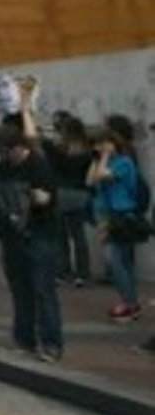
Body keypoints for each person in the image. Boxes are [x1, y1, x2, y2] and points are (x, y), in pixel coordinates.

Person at [0, 123, 62, 362]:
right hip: (13, 234)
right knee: (20, 289)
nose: (3, 157)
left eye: (6, 151)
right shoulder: (4, 167)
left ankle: (51, 343)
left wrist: (30, 195)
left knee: (42, 289)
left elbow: (46, 196)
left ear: (17, 147)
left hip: (39, 231)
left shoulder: (38, 164)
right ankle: (24, 340)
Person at [89, 117, 145, 323]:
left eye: (103, 143)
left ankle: (130, 303)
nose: (100, 147)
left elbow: (102, 176)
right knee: (119, 261)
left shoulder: (123, 162)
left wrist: (104, 157)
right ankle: (128, 301)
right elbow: (91, 179)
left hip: (121, 216)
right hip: (107, 215)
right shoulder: (109, 162)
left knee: (117, 261)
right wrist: (98, 158)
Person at [44, 114, 94, 287]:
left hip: (61, 193)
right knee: (78, 235)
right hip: (80, 193)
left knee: (60, 236)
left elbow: (54, 163)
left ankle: (64, 272)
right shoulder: (88, 150)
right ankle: (83, 273)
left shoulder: (59, 150)